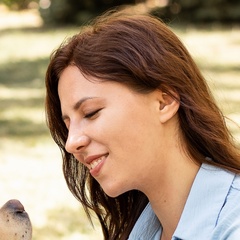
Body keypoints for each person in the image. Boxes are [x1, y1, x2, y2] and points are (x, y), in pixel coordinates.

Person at [45, 9, 240, 240]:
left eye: (91, 112)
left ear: (165, 101)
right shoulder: (142, 229)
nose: (71, 143)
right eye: (68, 125)